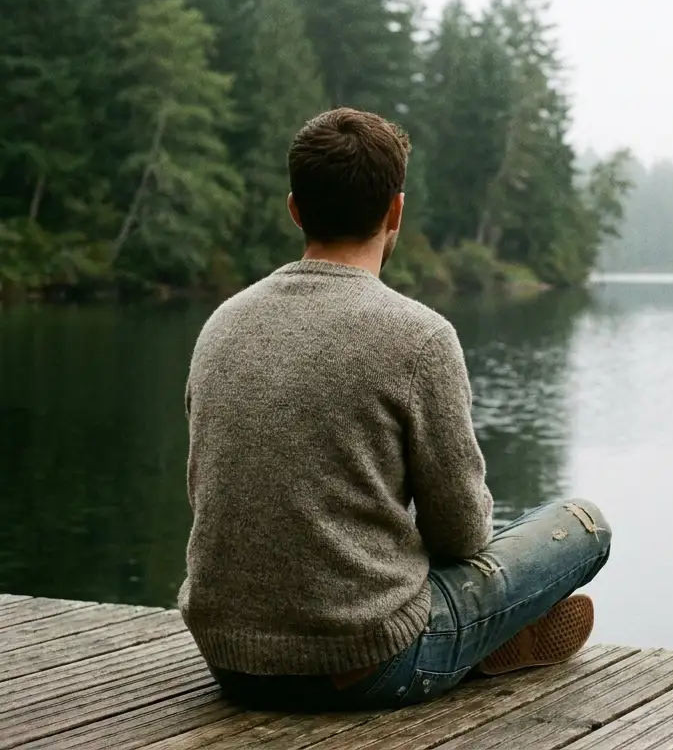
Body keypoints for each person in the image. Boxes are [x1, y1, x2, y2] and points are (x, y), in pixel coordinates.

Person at [177, 107, 612, 711]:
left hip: (231, 658)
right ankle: (479, 638)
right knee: (584, 527)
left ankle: (484, 637)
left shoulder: (222, 324)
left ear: (295, 209)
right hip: (367, 664)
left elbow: (208, 491)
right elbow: (461, 534)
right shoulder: (420, 338)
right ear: (395, 213)